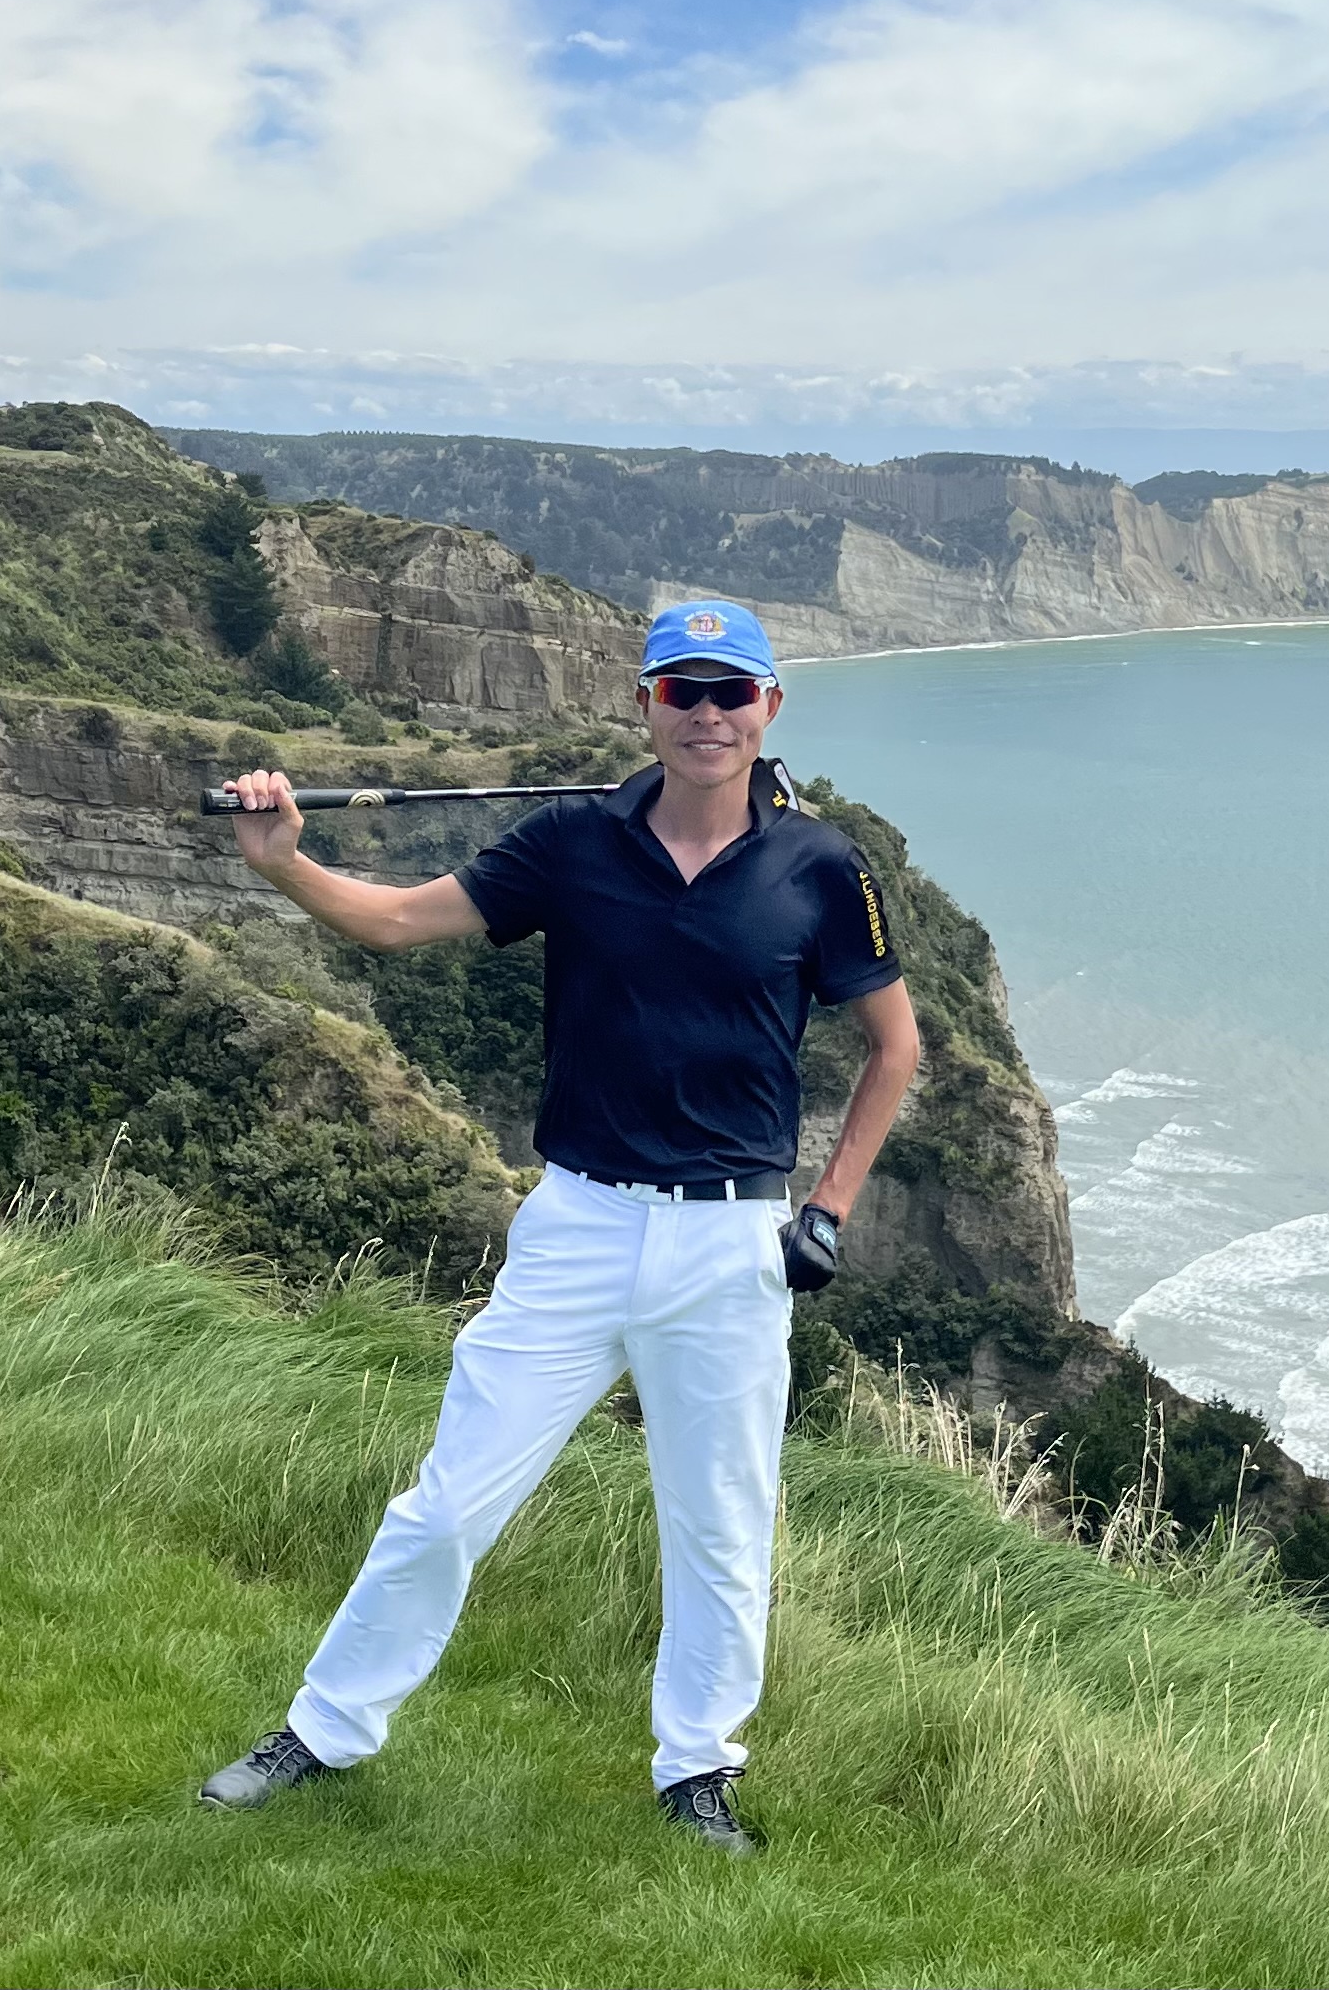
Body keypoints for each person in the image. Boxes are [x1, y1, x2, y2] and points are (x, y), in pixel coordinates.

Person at [197, 599, 921, 1856]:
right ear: (644, 704)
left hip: (729, 1241)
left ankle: (698, 1769)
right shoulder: (570, 843)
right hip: (578, 1224)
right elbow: (395, 919)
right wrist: (282, 864)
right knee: (447, 1504)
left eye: (731, 692)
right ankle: (322, 1730)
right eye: (682, 690)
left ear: (768, 708)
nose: (707, 713)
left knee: (719, 1527)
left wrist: (829, 1208)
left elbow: (894, 1046)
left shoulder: (822, 867)